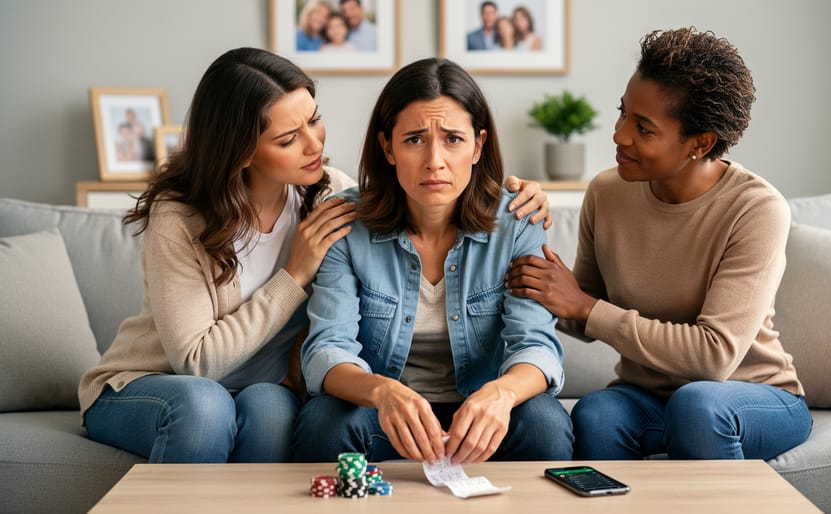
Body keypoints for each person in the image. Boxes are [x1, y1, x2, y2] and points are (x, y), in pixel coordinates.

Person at [78, 47, 552, 464]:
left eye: (314, 120)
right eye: (288, 139)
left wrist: (519, 190)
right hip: (162, 382)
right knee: (206, 408)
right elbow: (198, 363)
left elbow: (432, 186)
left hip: (263, 386)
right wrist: (296, 272)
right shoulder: (179, 218)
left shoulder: (328, 194)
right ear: (240, 151)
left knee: (270, 411)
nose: (315, 145)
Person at [506, 27, 813, 461]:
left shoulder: (756, 209)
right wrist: (524, 271)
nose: (619, 135)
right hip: (648, 398)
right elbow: (582, 310)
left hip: (751, 396)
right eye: (622, 113)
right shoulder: (607, 192)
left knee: (698, 405)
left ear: (700, 143)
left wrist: (584, 307)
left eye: (644, 129)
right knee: (595, 414)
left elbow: (714, 358)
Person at [294, 57, 573, 465]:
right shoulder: (347, 223)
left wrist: (501, 393)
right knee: (325, 422)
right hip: (385, 413)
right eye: (415, 140)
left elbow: (536, 343)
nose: (435, 161)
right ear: (387, 146)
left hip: (481, 413)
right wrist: (382, 392)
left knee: (544, 422)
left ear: (478, 146)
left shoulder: (518, 219)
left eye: (453, 140)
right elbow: (327, 348)